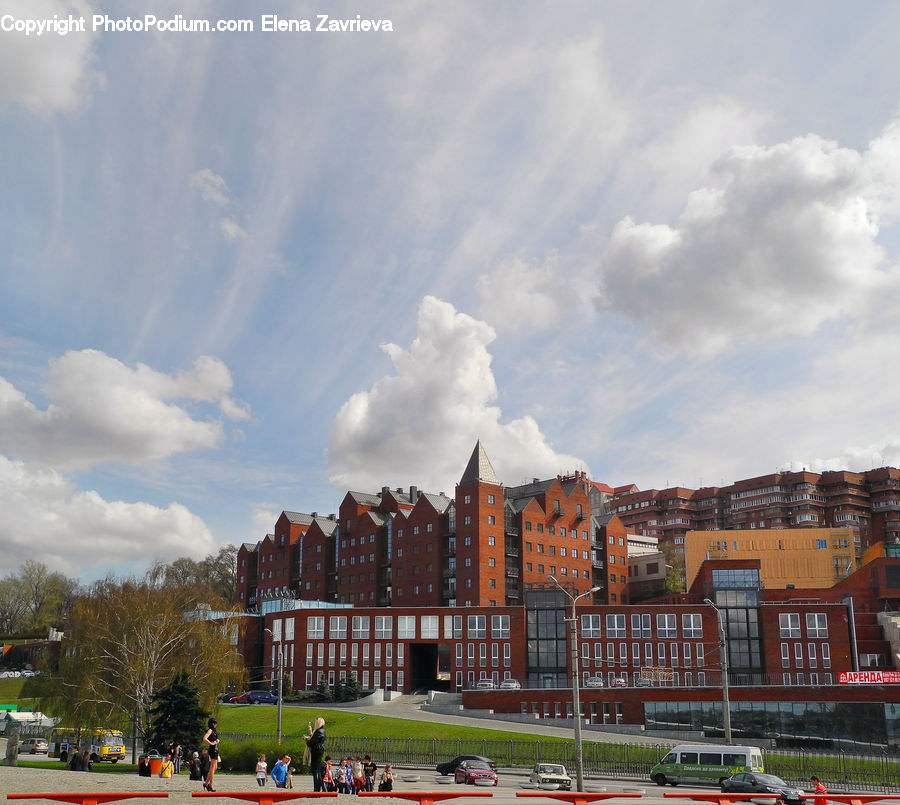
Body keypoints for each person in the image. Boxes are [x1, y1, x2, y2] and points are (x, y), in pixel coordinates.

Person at [307, 717, 327, 792]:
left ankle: (316, 789)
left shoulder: (319, 731)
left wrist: (307, 742)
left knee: (316, 770)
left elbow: (312, 742)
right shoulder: (322, 731)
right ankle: (318, 788)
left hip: (316, 752)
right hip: (319, 751)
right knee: (317, 770)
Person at [203, 717, 220, 791]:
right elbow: (204, 738)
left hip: (215, 749)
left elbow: (214, 739)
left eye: (216, 723)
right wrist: (211, 743)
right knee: (212, 768)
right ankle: (211, 784)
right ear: (212, 724)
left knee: (215, 767)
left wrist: (217, 741)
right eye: (214, 723)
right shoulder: (210, 730)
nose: (216, 724)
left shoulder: (214, 731)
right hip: (213, 749)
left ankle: (206, 783)